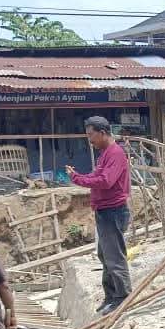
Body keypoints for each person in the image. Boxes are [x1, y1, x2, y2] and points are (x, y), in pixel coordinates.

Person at [66, 116, 132, 315]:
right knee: (105, 255)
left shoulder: (115, 153)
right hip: (105, 210)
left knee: (114, 256)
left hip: (113, 210)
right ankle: (111, 296)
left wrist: (78, 179)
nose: (90, 140)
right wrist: (78, 177)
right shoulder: (105, 154)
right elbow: (97, 177)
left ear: (102, 133)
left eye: (91, 135)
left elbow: (105, 181)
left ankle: (122, 297)